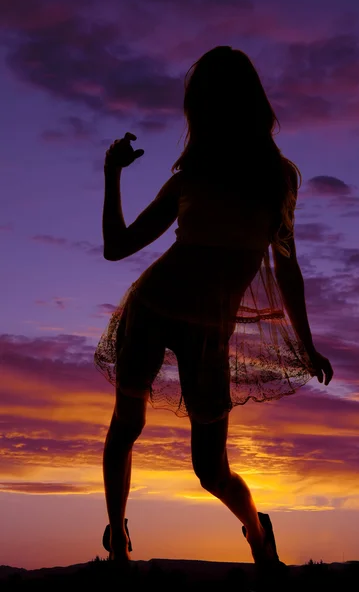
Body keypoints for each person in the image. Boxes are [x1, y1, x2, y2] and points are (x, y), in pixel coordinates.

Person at [94, 46, 333, 580]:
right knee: (126, 425)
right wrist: (111, 175)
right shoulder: (190, 176)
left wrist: (306, 342)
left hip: (210, 333)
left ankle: (256, 529)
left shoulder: (278, 179)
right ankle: (117, 546)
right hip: (152, 308)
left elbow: (288, 266)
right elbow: (117, 246)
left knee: (210, 469)